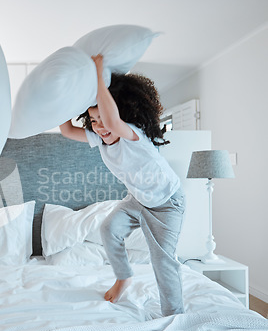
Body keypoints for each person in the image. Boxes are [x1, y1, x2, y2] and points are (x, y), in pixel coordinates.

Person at [59, 54, 185, 317]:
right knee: (109, 229)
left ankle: (174, 315)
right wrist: (66, 101)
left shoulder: (131, 133)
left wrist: (97, 76)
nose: (101, 127)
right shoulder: (101, 139)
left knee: (163, 260)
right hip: (138, 199)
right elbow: (68, 131)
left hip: (166, 203)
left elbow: (113, 121)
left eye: (103, 118)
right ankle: (123, 277)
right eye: (94, 120)